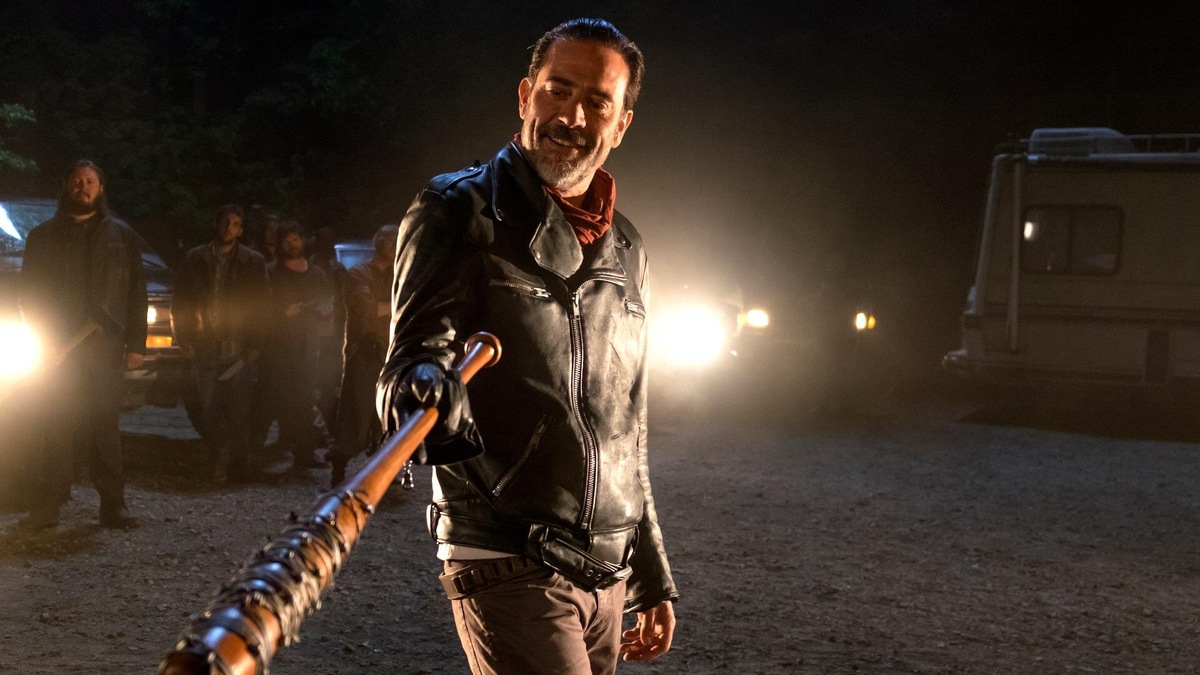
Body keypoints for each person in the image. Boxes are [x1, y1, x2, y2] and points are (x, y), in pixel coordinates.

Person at [376, 18, 677, 674]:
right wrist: (425, 385)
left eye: (596, 101)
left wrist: (650, 573)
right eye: (557, 90)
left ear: (621, 124)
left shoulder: (628, 248)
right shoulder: (457, 209)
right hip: (506, 553)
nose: (572, 116)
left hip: (608, 570)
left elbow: (628, 424)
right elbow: (410, 361)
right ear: (525, 95)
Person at [18, 160, 146, 530]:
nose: (83, 187)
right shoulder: (42, 236)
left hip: (103, 349)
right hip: (57, 349)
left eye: (90, 181)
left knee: (104, 425)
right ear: (66, 185)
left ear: (100, 189)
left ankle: (113, 506)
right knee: (56, 425)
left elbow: (136, 292)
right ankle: (48, 506)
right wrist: (42, 340)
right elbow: (30, 294)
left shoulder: (122, 236)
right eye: (77, 180)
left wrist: (136, 343)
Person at [174, 204, 275, 483]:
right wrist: (183, 337)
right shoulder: (195, 258)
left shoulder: (252, 262)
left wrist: (256, 343)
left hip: (238, 343)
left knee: (239, 408)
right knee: (206, 406)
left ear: (240, 230)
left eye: (235, 225)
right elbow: (180, 301)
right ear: (216, 224)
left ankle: (236, 465)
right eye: (225, 223)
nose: (229, 229)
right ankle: (221, 454)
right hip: (205, 341)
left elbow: (263, 305)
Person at [328, 224, 397, 488]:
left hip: (390, 351)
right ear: (378, 243)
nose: (394, 245)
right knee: (354, 411)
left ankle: (382, 472)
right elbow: (366, 308)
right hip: (364, 352)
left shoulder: (396, 276)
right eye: (389, 240)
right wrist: (397, 305)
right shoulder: (358, 274)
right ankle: (339, 469)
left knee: (387, 414)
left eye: (397, 240)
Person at [264, 222, 332, 471]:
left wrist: (324, 311)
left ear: (303, 242)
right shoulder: (271, 273)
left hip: (309, 347)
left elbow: (328, 303)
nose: (291, 245)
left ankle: (304, 453)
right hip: (279, 348)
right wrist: (282, 313)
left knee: (305, 401)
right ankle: (266, 452)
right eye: (286, 240)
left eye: (295, 239)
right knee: (279, 400)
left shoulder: (317, 275)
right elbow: (260, 308)